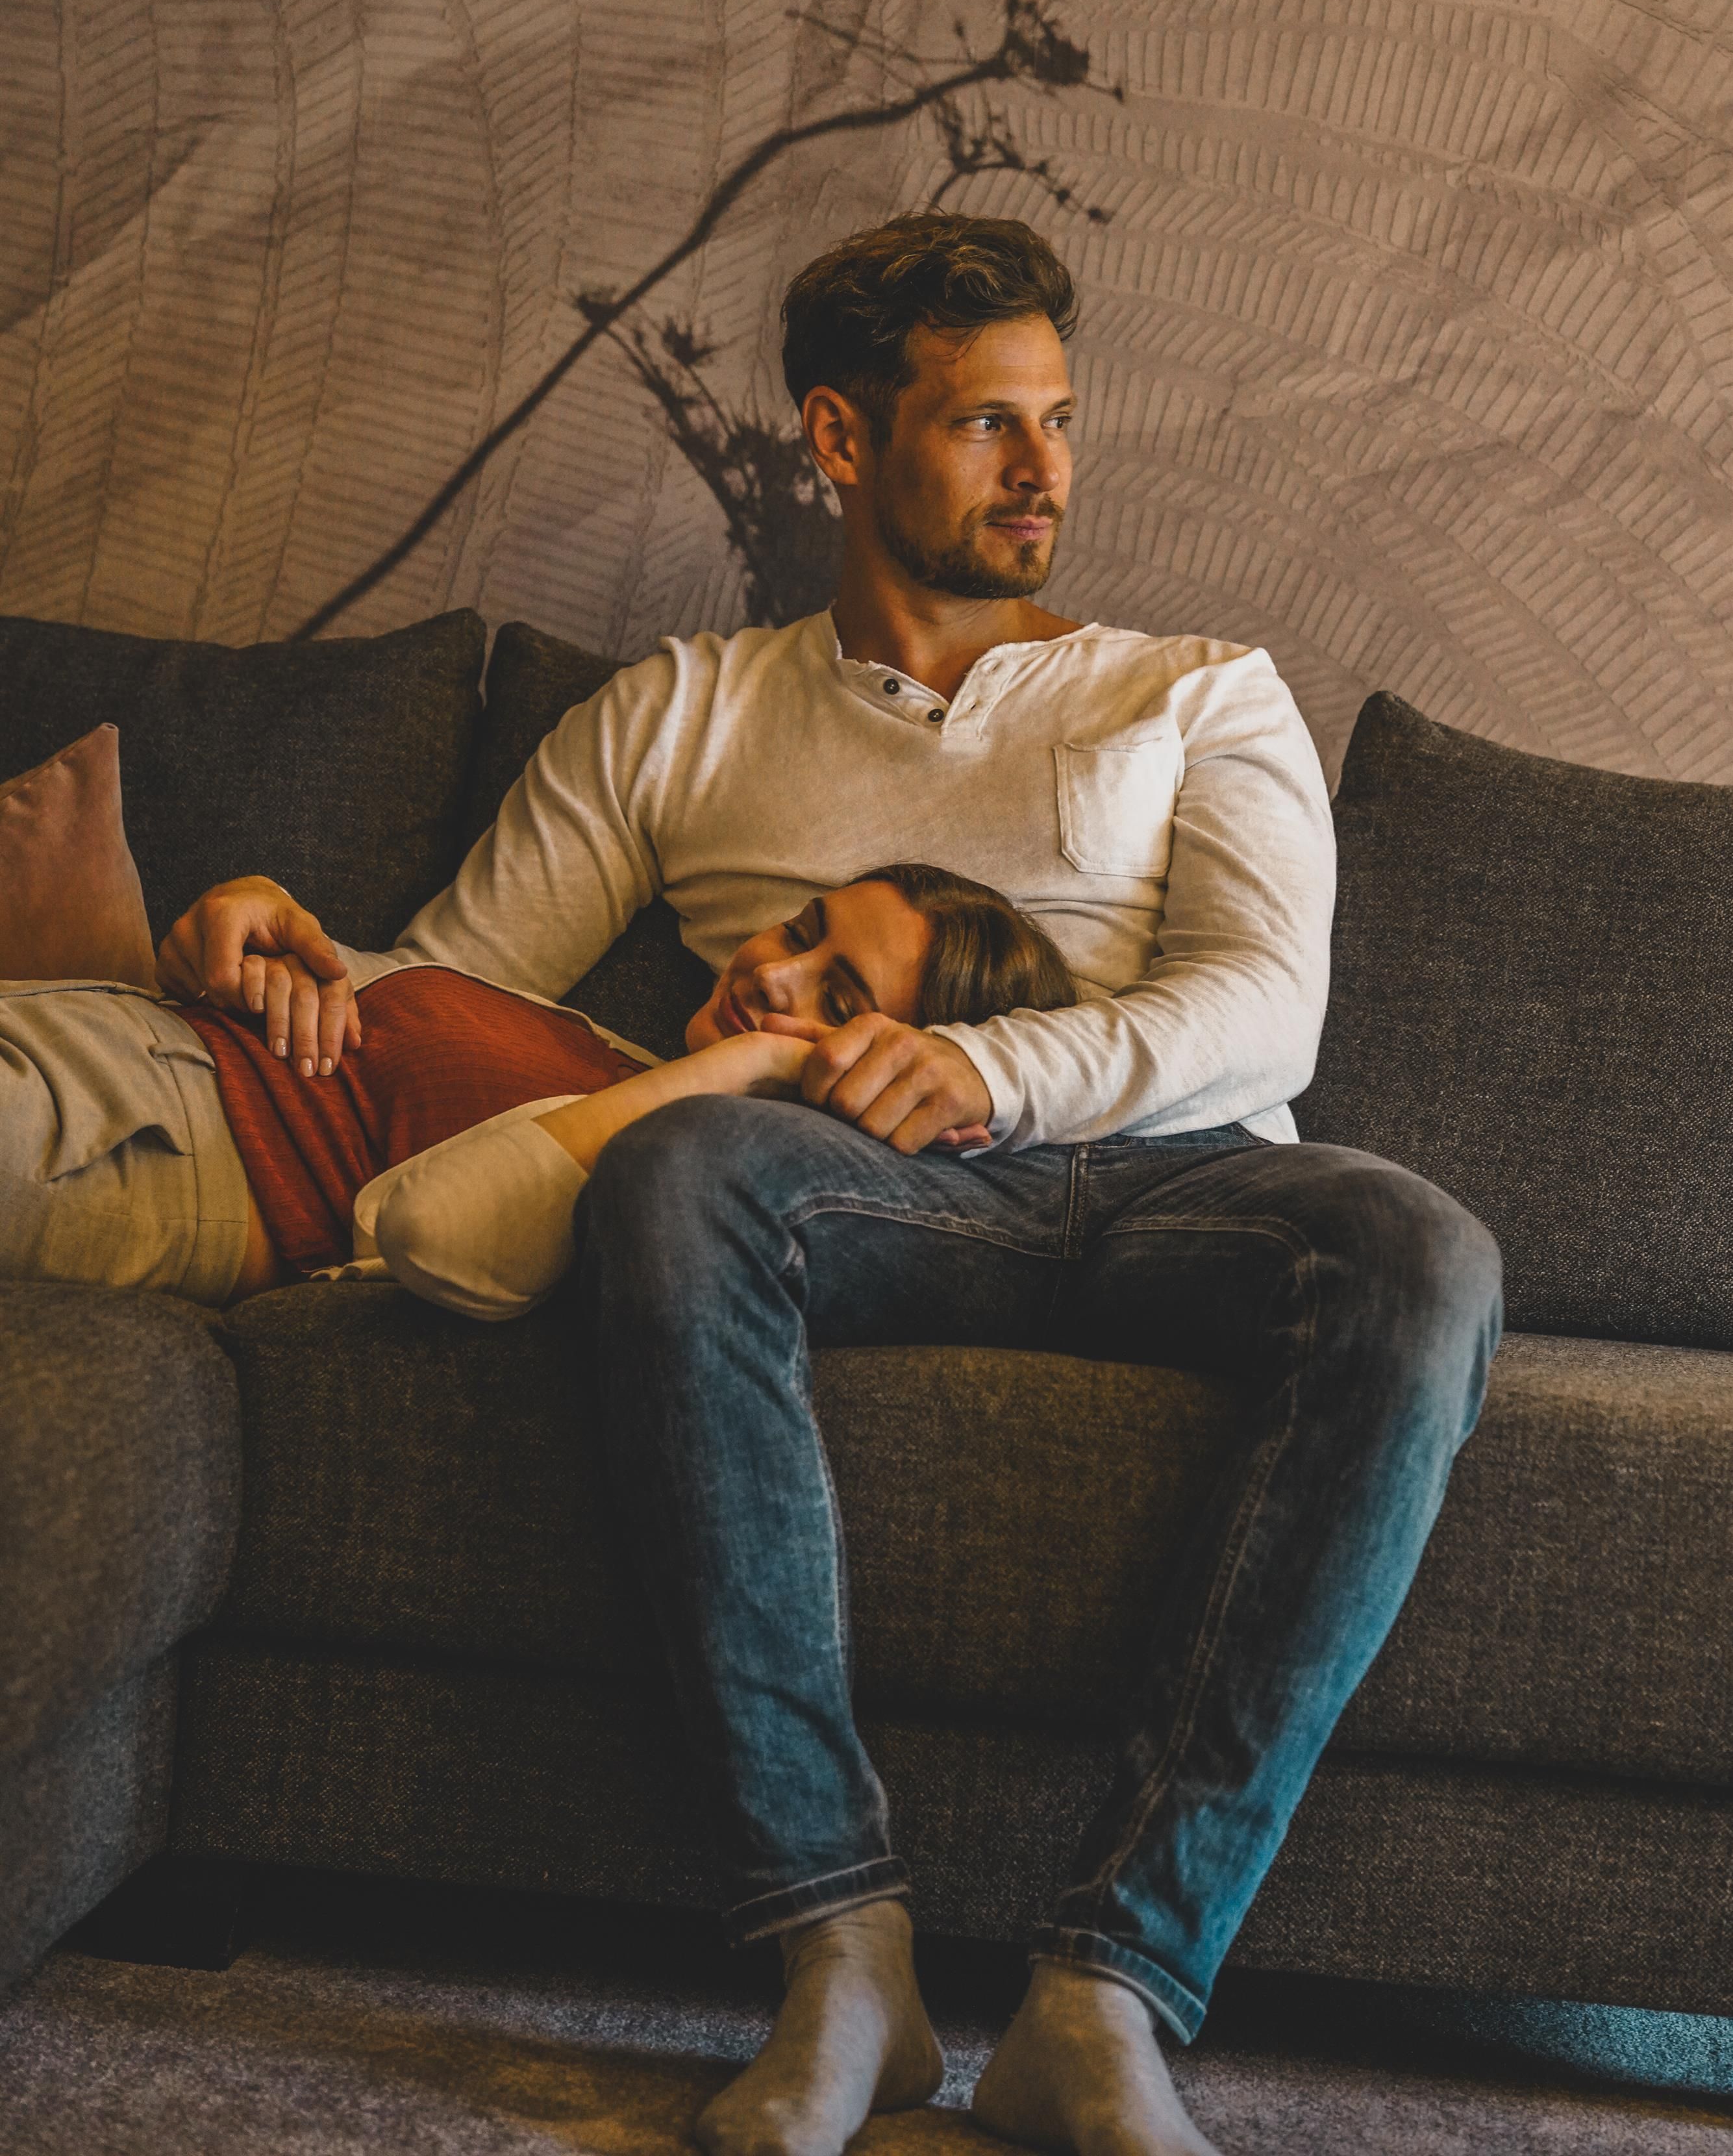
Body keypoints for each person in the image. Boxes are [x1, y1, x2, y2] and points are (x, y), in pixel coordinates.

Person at [160, 212, 1502, 2156]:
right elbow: (455, 998)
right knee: (678, 1169)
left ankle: (1110, 1992)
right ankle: (838, 1960)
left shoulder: (1198, 692)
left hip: (1174, 1188)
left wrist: (983, 1066)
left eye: (1058, 419)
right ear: (842, 437)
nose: (1044, 469)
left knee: (1420, 1249)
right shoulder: (677, 714)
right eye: (984, 423)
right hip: (856, 1197)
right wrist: (268, 930)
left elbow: (1259, 1010)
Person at [0, 862, 1070, 1311]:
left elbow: (424, 1231)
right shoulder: (612, 1054)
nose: (772, 976)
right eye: (798, 933)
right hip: (79, 1027)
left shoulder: (669, 1173)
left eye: (836, 1001)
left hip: (118, 1136)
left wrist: (756, 1068)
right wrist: (243, 922)